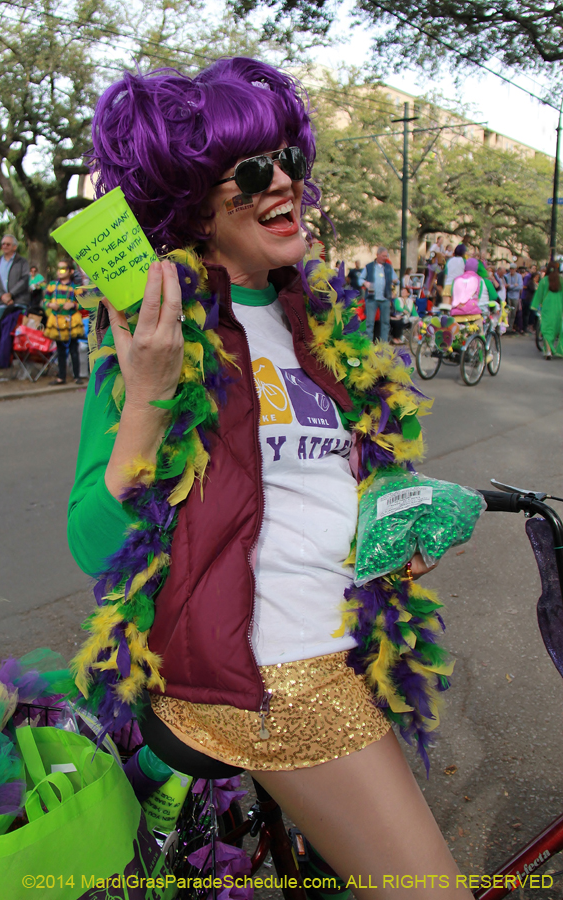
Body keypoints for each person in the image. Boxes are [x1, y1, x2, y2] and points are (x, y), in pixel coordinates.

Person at [68, 58, 474, 899]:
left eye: (288, 157)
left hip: (344, 645)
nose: (283, 178)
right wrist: (144, 394)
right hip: (267, 675)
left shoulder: (315, 324)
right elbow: (95, 541)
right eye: (253, 171)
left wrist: (393, 538)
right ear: (197, 209)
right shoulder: (163, 336)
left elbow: (313, 494)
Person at [43, 260, 84, 384]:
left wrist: (73, 305)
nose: (60, 271)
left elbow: (83, 303)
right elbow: (45, 301)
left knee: (74, 350)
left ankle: (77, 376)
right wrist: (50, 304)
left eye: (63, 269)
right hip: (57, 321)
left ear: (70, 271)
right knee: (60, 350)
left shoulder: (76, 288)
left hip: (71, 321)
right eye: (58, 268)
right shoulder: (51, 286)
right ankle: (61, 377)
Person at [362, 246, 397, 342]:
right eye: (383, 256)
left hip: (385, 298)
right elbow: (360, 279)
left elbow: (396, 279)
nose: (385, 258)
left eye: (386, 256)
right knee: (369, 323)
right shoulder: (369, 266)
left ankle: (384, 344)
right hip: (371, 298)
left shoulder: (389, 267)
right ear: (377, 255)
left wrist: (395, 281)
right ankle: (368, 344)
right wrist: (365, 283)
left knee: (385, 323)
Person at [531, 261, 563, 359]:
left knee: (547, 329)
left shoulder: (544, 281)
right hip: (558, 308)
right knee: (557, 329)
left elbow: (539, 295)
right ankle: (558, 350)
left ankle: (548, 351)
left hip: (547, 308)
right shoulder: (561, 280)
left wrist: (535, 306)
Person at [505, 265, 523, 332]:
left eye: (513, 269)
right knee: (508, 312)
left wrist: (511, 286)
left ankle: (510, 327)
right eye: (511, 269)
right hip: (509, 296)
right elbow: (507, 286)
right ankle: (506, 327)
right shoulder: (507, 276)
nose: (511, 271)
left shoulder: (519, 276)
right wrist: (513, 286)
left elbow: (520, 287)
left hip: (515, 297)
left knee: (513, 313)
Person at [521, 267, 539, 333]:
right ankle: (526, 327)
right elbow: (532, 289)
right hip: (529, 299)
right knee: (527, 313)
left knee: (533, 314)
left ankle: (531, 326)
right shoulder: (530, 282)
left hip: (534, 300)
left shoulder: (537, 283)